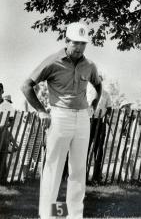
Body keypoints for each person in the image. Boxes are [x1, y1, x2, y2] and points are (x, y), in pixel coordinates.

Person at [21, 22, 102, 219]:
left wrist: (93, 105)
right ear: (66, 41)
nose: (80, 47)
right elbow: (26, 86)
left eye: (83, 43)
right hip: (59, 116)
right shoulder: (52, 62)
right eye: (76, 43)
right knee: (54, 168)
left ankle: (74, 215)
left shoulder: (89, 65)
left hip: (83, 118)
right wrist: (41, 111)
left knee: (78, 169)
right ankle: (49, 215)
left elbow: (99, 86)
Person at [87, 74, 112, 183]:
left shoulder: (106, 94)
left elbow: (109, 108)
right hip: (88, 121)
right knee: (85, 148)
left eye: (99, 80)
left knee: (99, 149)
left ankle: (97, 176)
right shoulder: (86, 92)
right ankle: (83, 176)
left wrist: (106, 116)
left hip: (100, 122)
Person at [0, 83, 15, 184]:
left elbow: (11, 120)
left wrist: (4, 126)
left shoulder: (7, 105)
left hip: (3, 133)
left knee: (2, 156)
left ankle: (2, 180)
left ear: (2, 91)